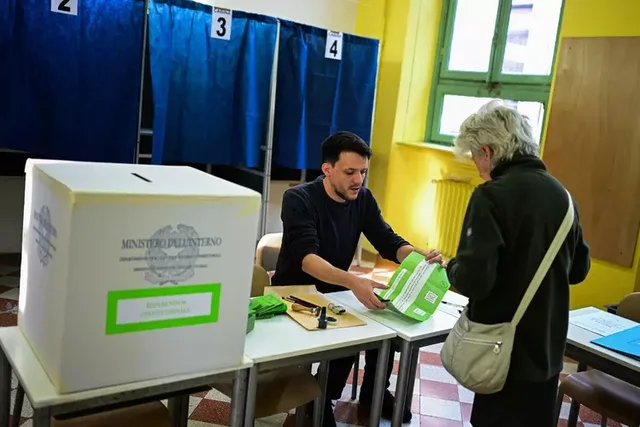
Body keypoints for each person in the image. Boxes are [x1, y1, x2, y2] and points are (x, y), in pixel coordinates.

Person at [272, 131, 444, 426]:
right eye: (350, 172)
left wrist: (420, 256)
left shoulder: (362, 198)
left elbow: (388, 241)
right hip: (295, 293)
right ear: (327, 169)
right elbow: (307, 259)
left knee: (387, 321)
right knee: (351, 335)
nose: (358, 180)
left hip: (336, 291)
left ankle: (374, 391)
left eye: (363, 172)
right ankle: (319, 401)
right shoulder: (298, 198)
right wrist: (353, 281)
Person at [445, 100, 591, 427]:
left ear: (487, 151)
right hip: (548, 348)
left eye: (474, 156)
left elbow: (475, 281)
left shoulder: (491, 196)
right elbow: (578, 270)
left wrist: (451, 267)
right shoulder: (564, 196)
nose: (476, 165)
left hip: (502, 348)